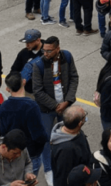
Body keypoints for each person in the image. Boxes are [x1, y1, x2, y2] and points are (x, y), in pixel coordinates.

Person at [32, 36, 79, 175]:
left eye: (49, 51)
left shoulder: (67, 57)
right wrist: (55, 106)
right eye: (44, 51)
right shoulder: (38, 65)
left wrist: (68, 101)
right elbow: (38, 91)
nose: (45, 54)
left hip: (65, 106)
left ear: (58, 49)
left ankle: (67, 163)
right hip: (47, 110)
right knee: (46, 139)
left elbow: (74, 78)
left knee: (68, 134)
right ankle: (48, 169)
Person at [0, 72, 49, 183]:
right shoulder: (31, 106)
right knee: (29, 180)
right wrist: (45, 140)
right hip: (31, 153)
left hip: (13, 153)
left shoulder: (4, 106)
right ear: (24, 82)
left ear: (7, 88)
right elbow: (38, 134)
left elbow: (3, 132)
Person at [50, 106, 92, 186]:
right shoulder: (66, 150)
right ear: (80, 123)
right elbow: (63, 179)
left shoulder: (77, 132)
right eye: (84, 116)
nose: (85, 117)